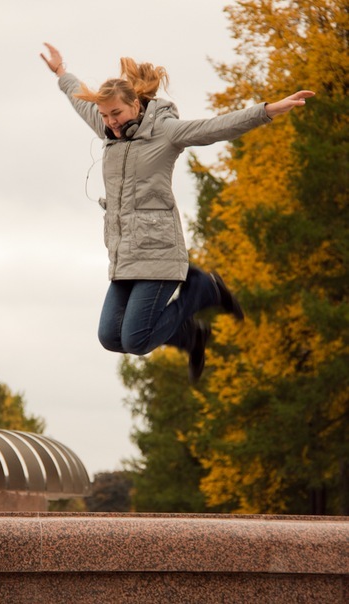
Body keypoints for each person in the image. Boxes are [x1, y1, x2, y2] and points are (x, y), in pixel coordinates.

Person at [40, 43, 315, 383]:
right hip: (125, 256)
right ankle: (191, 336)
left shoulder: (165, 131)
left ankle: (203, 290)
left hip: (159, 251)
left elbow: (215, 128)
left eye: (116, 114)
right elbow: (79, 100)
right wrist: (61, 72)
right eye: (105, 115)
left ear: (135, 105)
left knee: (136, 340)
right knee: (110, 337)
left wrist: (268, 111)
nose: (110, 122)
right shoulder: (108, 131)